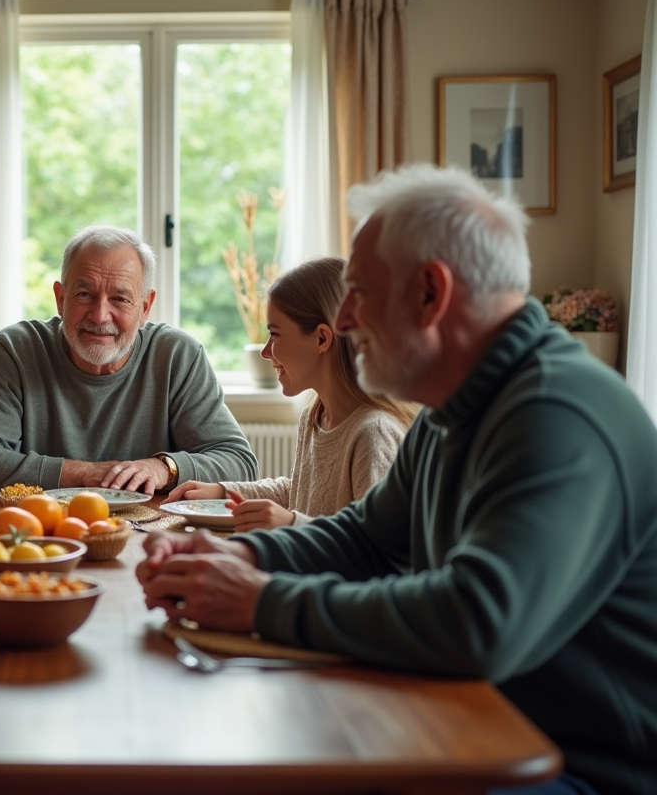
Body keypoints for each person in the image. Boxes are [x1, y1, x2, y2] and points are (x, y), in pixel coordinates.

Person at [137, 165, 657, 795]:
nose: (346, 319)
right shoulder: (453, 406)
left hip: (572, 769)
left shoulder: (557, 414)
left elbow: (476, 623)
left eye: (358, 291)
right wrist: (232, 552)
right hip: (468, 721)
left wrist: (257, 599)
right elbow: (367, 538)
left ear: (430, 294)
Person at [0, 225, 258, 494]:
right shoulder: (15, 350)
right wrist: (83, 474)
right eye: (84, 295)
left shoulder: (177, 356)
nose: (100, 315)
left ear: (145, 308)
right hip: (39, 533)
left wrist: (165, 468)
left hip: (155, 535)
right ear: (60, 298)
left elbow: (240, 464)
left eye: (120, 298)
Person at [165, 258, 416, 531]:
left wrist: (292, 523)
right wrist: (223, 491)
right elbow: (297, 492)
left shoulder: (373, 433)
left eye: (275, 334)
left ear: (322, 338)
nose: (265, 351)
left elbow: (377, 548)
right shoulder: (315, 415)